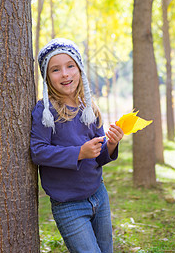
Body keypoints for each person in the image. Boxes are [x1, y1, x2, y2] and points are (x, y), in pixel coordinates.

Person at [30, 38, 124, 253]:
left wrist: (111, 143)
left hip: (98, 195)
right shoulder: (45, 111)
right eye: (56, 69)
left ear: (79, 69)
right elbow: (38, 151)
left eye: (70, 66)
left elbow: (99, 155)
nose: (65, 74)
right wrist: (79, 152)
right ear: (47, 77)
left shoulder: (88, 106)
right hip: (69, 205)